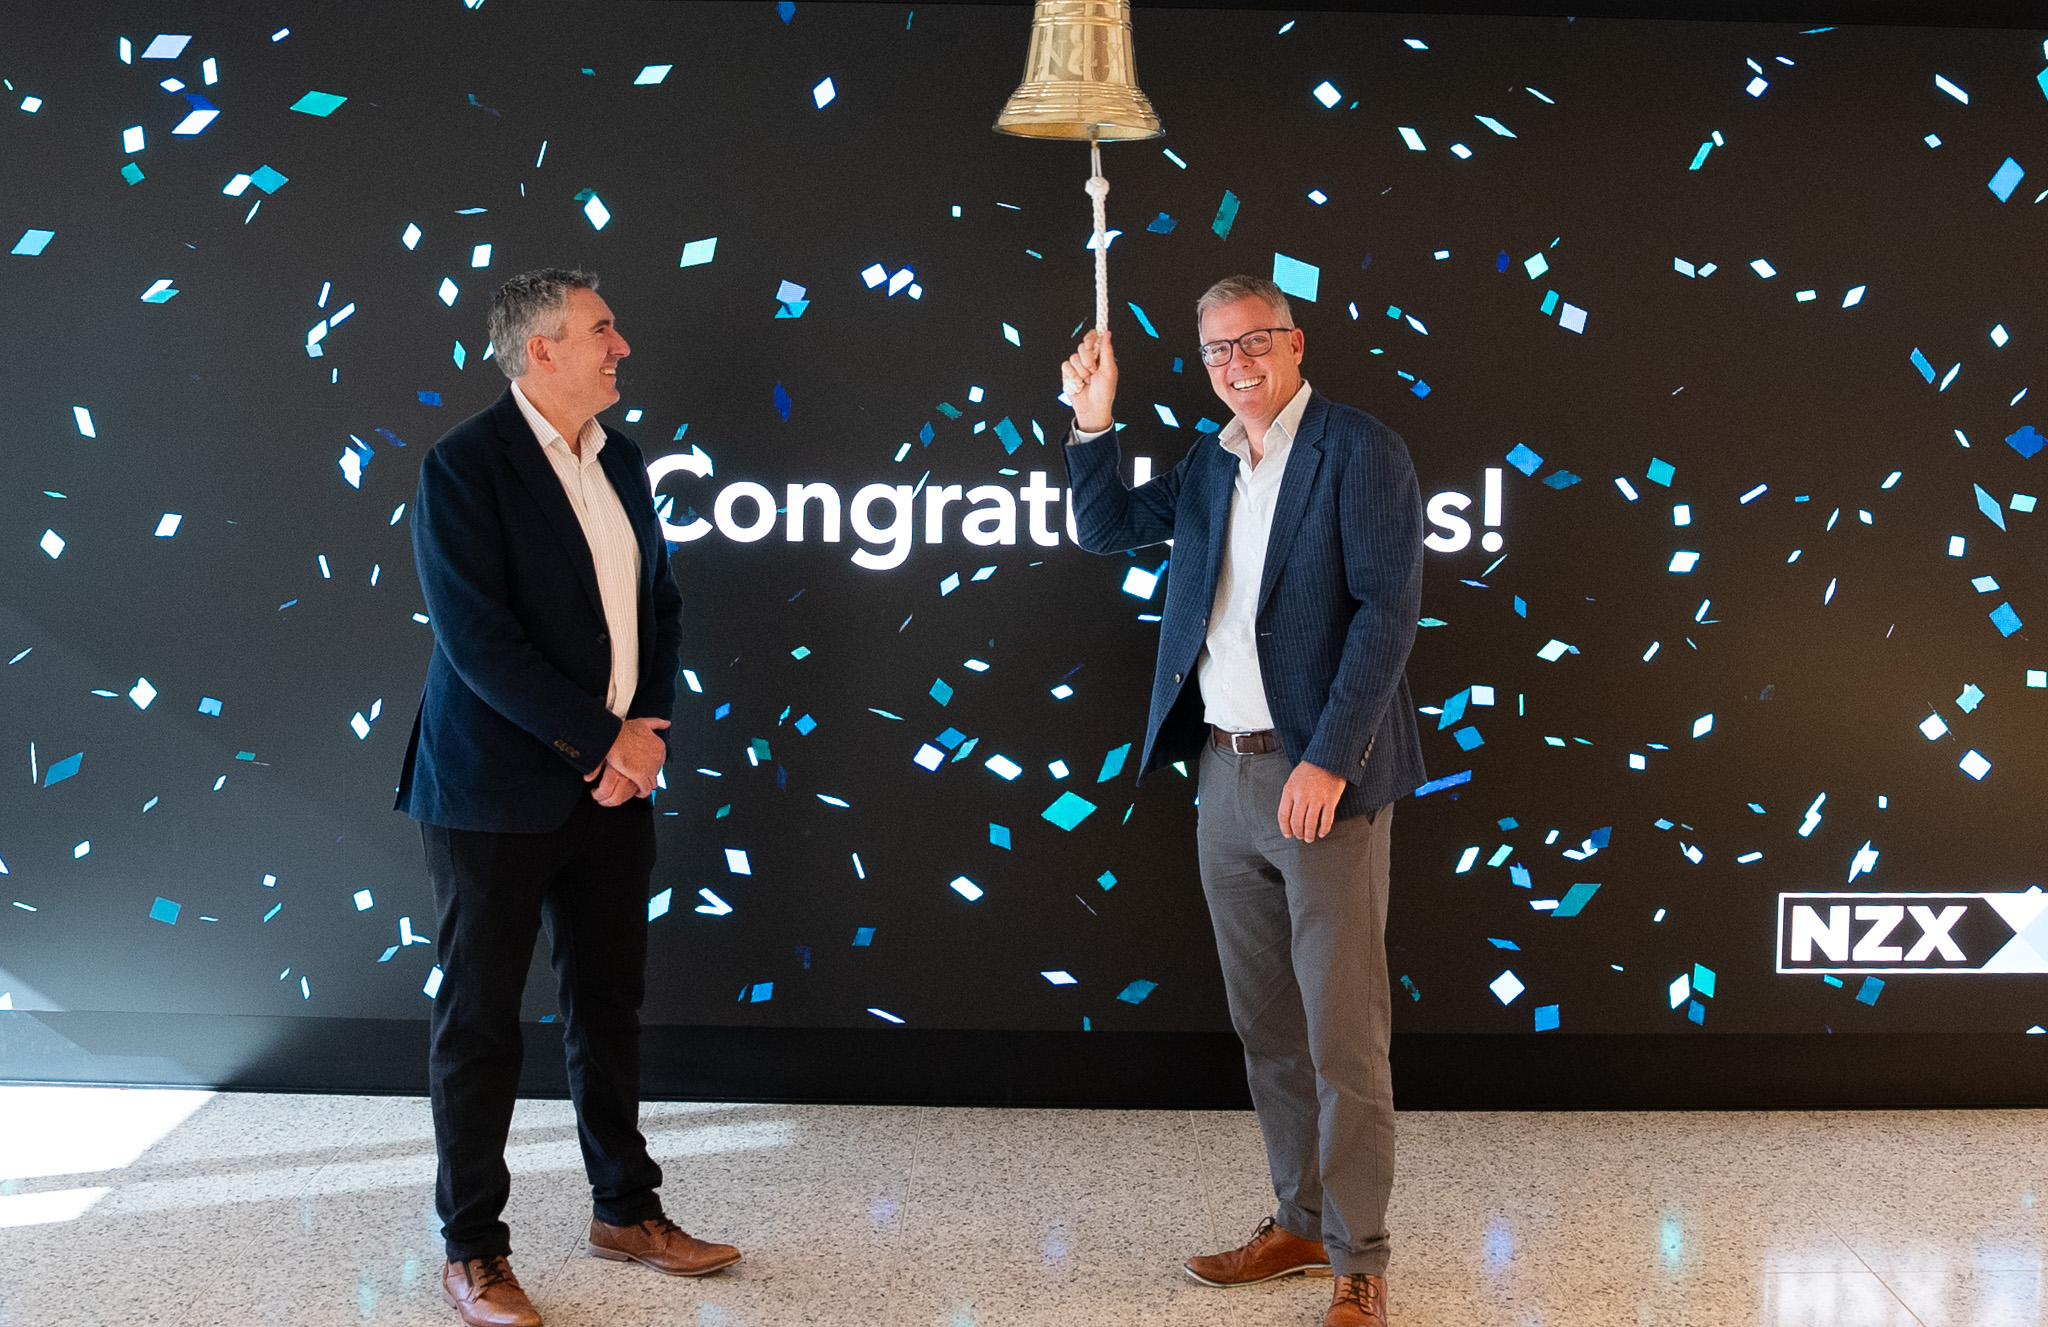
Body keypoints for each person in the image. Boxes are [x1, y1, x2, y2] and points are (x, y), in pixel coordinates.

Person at [1060, 275, 1425, 1327]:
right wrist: (1091, 423)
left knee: (1341, 1034)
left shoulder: (1359, 449)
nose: (1236, 364)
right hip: (1222, 776)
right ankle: (1299, 1218)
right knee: (1264, 1024)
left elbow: (1385, 614)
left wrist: (1329, 759)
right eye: (1217, 350)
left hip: (1323, 781)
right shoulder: (1210, 463)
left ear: (1295, 342)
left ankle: (1361, 1254)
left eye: (1254, 342)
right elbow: (1103, 529)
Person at [397, 269, 737, 1327]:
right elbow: (478, 642)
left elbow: (661, 604)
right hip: (491, 793)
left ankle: (625, 1209)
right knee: (481, 1025)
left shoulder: (621, 459)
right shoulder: (462, 466)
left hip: (616, 784)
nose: (620, 345)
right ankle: (472, 1251)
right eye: (601, 329)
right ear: (538, 349)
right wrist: (602, 737)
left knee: (608, 1007)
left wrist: (646, 737)